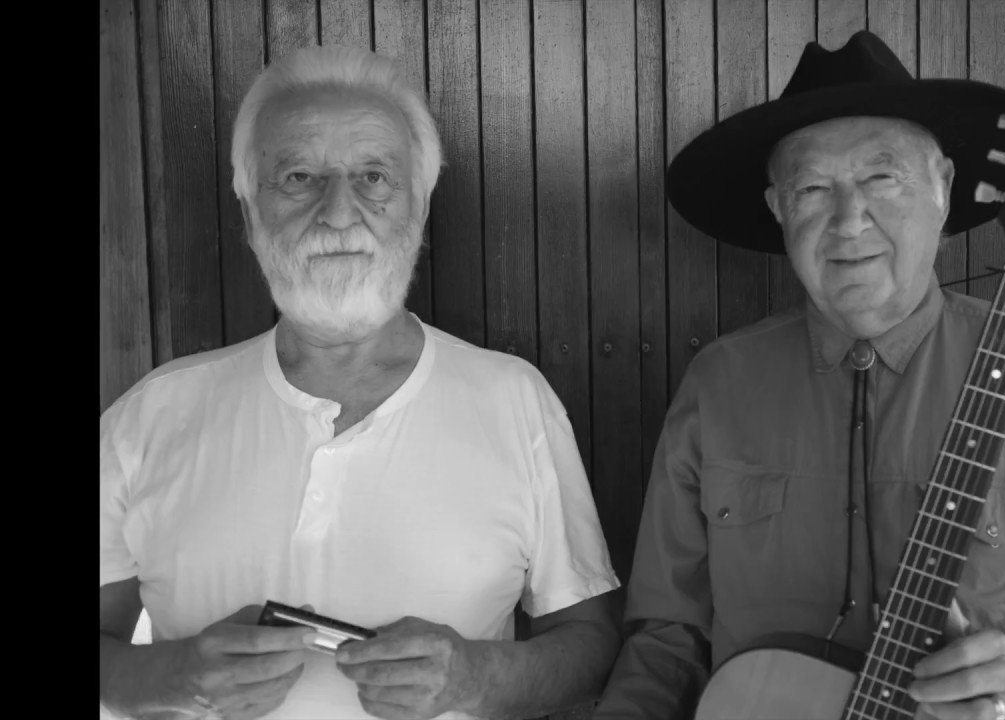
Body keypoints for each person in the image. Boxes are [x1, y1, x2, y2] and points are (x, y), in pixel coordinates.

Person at [593, 30, 1005, 720]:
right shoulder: (718, 384)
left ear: (943, 188)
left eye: (881, 178)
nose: (848, 220)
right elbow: (666, 640)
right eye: (812, 188)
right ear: (778, 208)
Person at [100, 45, 620, 720]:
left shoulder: (515, 403)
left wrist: (477, 678)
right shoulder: (151, 414)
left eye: (374, 177)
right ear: (250, 212)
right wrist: (170, 675)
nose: (339, 214)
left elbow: (591, 649)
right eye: (299, 177)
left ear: (419, 207)